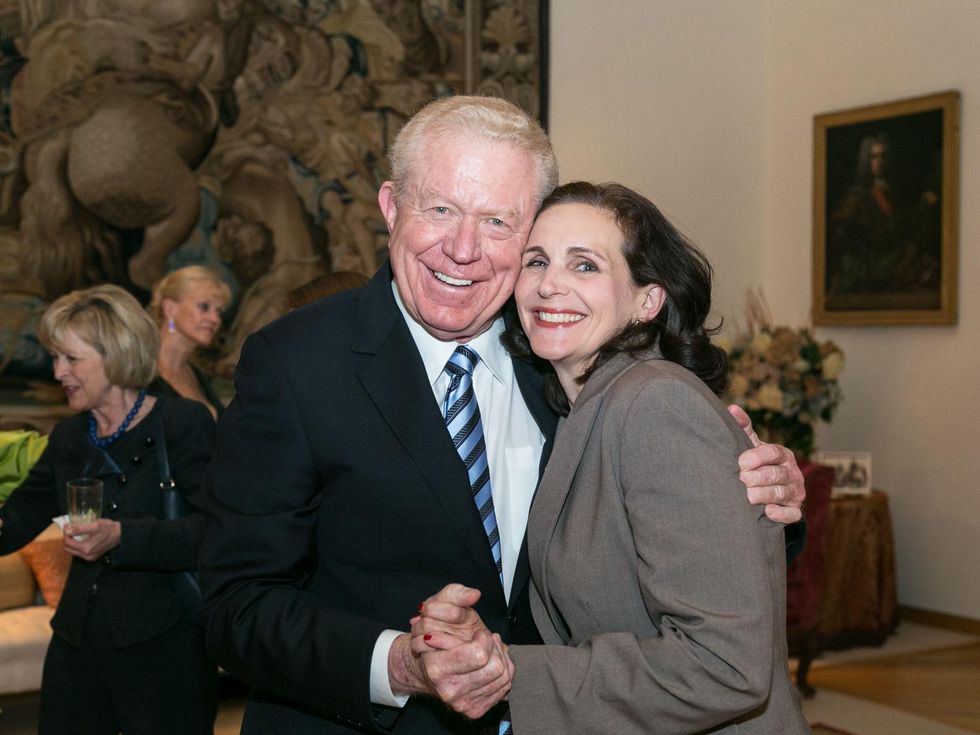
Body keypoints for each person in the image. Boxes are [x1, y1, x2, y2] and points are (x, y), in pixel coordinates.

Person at [198, 95, 805, 735]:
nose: (464, 250)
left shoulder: (559, 352)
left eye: (498, 222)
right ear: (390, 207)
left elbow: (661, 543)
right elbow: (235, 608)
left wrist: (761, 502)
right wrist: (399, 665)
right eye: (440, 210)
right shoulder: (296, 362)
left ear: (531, 230)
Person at [412, 182, 810, 733]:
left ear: (648, 300)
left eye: (585, 266)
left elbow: (726, 665)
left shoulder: (655, 403)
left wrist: (509, 673)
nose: (551, 285)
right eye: (537, 261)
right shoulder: (582, 408)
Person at [0, 284, 217, 734]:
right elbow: (18, 517)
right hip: (77, 643)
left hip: (165, 645)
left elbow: (215, 532)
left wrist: (123, 536)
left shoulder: (181, 424)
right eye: (55, 358)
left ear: (116, 354)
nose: (58, 372)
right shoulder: (69, 438)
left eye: (71, 359)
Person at [148, 265, 231, 419]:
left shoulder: (196, 374)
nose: (215, 320)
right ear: (170, 308)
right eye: (204, 307)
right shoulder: (142, 372)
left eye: (218, 311)